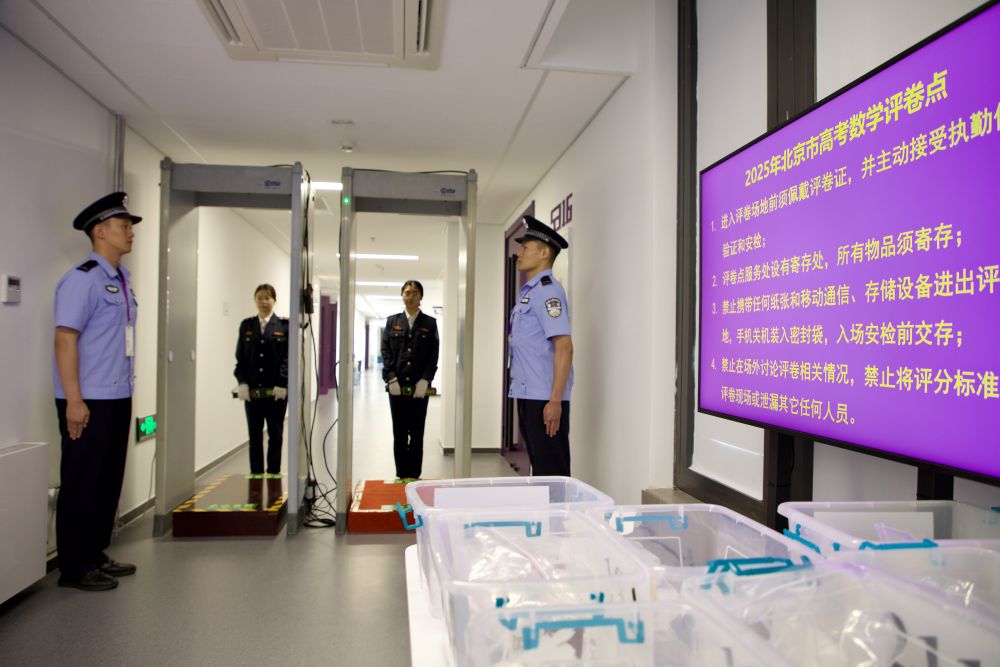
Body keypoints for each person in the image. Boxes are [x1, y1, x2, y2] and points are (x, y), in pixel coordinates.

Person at [53, 192, 141, 591]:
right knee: (82, 481)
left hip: (117, 394)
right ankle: (74, 566)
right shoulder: (82, 279)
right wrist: (74, 400)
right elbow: (65, 339)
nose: (130, 232)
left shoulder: (121, 279)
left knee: (107, 479)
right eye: (124, 226)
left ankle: (94, 552)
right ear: (100, 231)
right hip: (86, 398)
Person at [508, 215, 573, 476]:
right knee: (541, 468)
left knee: (552, 471)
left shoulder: (548, 291)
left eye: (525, 248)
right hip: (528, 393)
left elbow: (564, 346)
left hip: (544, 398)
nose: (519, 253)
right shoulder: (530, 292)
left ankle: (560, 507)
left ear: (544, 253)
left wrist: (555, 401)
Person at [381, 280, 439, 481]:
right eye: (407, 292)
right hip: (396, 386)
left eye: (415, 293)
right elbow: (386, 352)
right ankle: (401, 474)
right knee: (399, 432)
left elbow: (433, 355)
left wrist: (426, 379)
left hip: (418, 387)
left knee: (416, 432)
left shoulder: (429, 324)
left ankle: (413, 475)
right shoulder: (392, 322)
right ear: (402, 296)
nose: (410, 296)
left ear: (421, 296)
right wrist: (390, 378)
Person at [234, 284, 289, 476]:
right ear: (255, 300)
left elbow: (288, 358)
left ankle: (273, 474)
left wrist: (283, 383)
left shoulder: (284, 326)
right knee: (255, 436)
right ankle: (256, 476)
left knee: (275, 435)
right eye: (260, 298)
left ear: (274, 300)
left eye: (267, 298)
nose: (264, 302)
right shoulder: (246, 326)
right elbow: (241, 357)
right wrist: (242, 382)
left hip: (276, 393)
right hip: (253, 392)